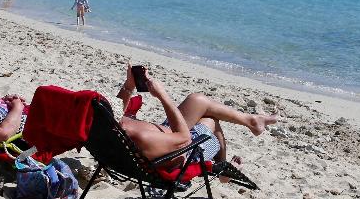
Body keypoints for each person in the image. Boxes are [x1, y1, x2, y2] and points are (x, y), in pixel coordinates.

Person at [115, 65, 277, 169]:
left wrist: (130, 85)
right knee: (211, 120)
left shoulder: (114, 126)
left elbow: (118, 112)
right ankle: (222, 168)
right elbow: (184, 139)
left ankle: (251, 121)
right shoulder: (140, 136)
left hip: (164, 135)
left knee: (196, 100)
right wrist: (162, 96)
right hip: (185, 151)